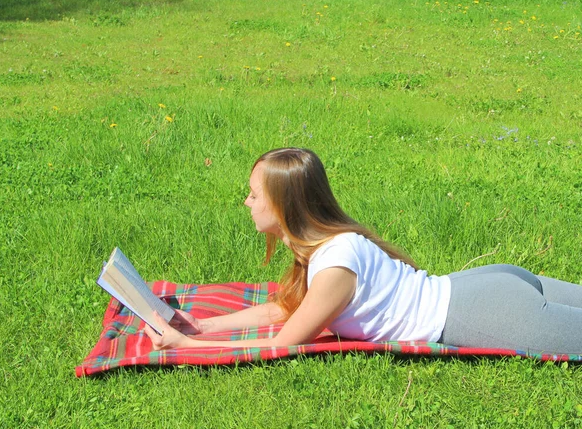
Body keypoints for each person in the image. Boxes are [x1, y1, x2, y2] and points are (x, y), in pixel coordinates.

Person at [146, 148, 582, 355]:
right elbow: (282, 311)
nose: (247, 202)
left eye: (253, 195)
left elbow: (280, 344)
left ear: (282, 206)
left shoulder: (334, 265)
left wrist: (185, 346)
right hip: (482, 286)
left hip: (483, 313)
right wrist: (202, 326)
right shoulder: (327, 248)